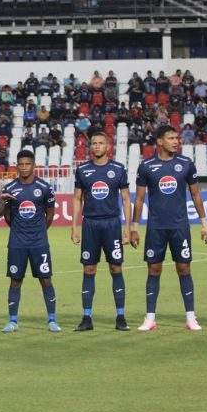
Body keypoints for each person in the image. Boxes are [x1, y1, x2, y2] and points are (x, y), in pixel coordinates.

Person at [131, 125, 207, 331]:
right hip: (156, 227)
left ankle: (191, 317)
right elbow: (139, 199)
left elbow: (196, 195)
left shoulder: (186, 164)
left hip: (179, 226)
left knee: (184, 268)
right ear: (159, 141)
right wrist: (133, 227)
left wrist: (204, 223)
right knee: (153, 269)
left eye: (177, 138)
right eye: (171, 138)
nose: (176, 141)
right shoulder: (146, 166)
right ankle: (150, 318)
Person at [70, 132, 133, 331]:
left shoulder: (118, 169)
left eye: (101, 143)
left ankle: (120, 317)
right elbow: (77, 199)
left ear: (108, 146)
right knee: (89, 270)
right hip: (90, 225)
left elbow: (125, 199)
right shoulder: (83, 170)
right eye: (94, 143)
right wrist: (74, 226)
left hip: (112, 224)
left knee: (116, 268)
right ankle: (87, 318)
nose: (97, 146)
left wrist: (127, 227)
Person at [0, 150, 61, 333]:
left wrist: (39, 231)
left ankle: (52, 320)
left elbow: (49, 214)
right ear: (16, 166)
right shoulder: (9, 189)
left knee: (45, 279)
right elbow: (7, 216)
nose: (24, 167)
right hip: (17, 243)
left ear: (33, 165)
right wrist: (20, 230)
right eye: (21, 164)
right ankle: (12, 321)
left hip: (39, 243)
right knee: (15, 280)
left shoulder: (44, 187)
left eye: (27, 164)